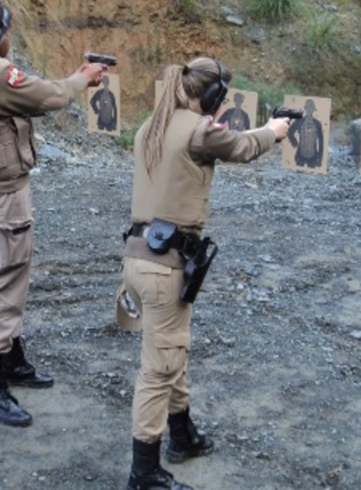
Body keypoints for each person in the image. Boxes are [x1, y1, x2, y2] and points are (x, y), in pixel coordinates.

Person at [0, 1, 106, 427]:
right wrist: (83, 78)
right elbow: (48, 96)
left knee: (5, 275)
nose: (10, 41)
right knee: (3, 283)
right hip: (3, 194)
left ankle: (12, 360)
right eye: (8, 34)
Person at [122, 57, 290, 490]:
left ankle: (183, 436)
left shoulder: (149, 127)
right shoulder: (199, 130)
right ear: (212, 96)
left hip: (139, 258)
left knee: (169, 349)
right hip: (165, 266)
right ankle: (143, 473)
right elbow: (242, 147)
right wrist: (274, 131)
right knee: (159, 366)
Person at [286, 98, 324, 168]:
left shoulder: (317, 124)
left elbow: (321, 142)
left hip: (313, 157)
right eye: (308, 108)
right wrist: (295, 143)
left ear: (313, 109)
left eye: (311, 108)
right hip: (300, 156)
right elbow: (289, 132)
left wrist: (320, 159)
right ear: (305, 109)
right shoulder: (299, 121)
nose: (309, 110)